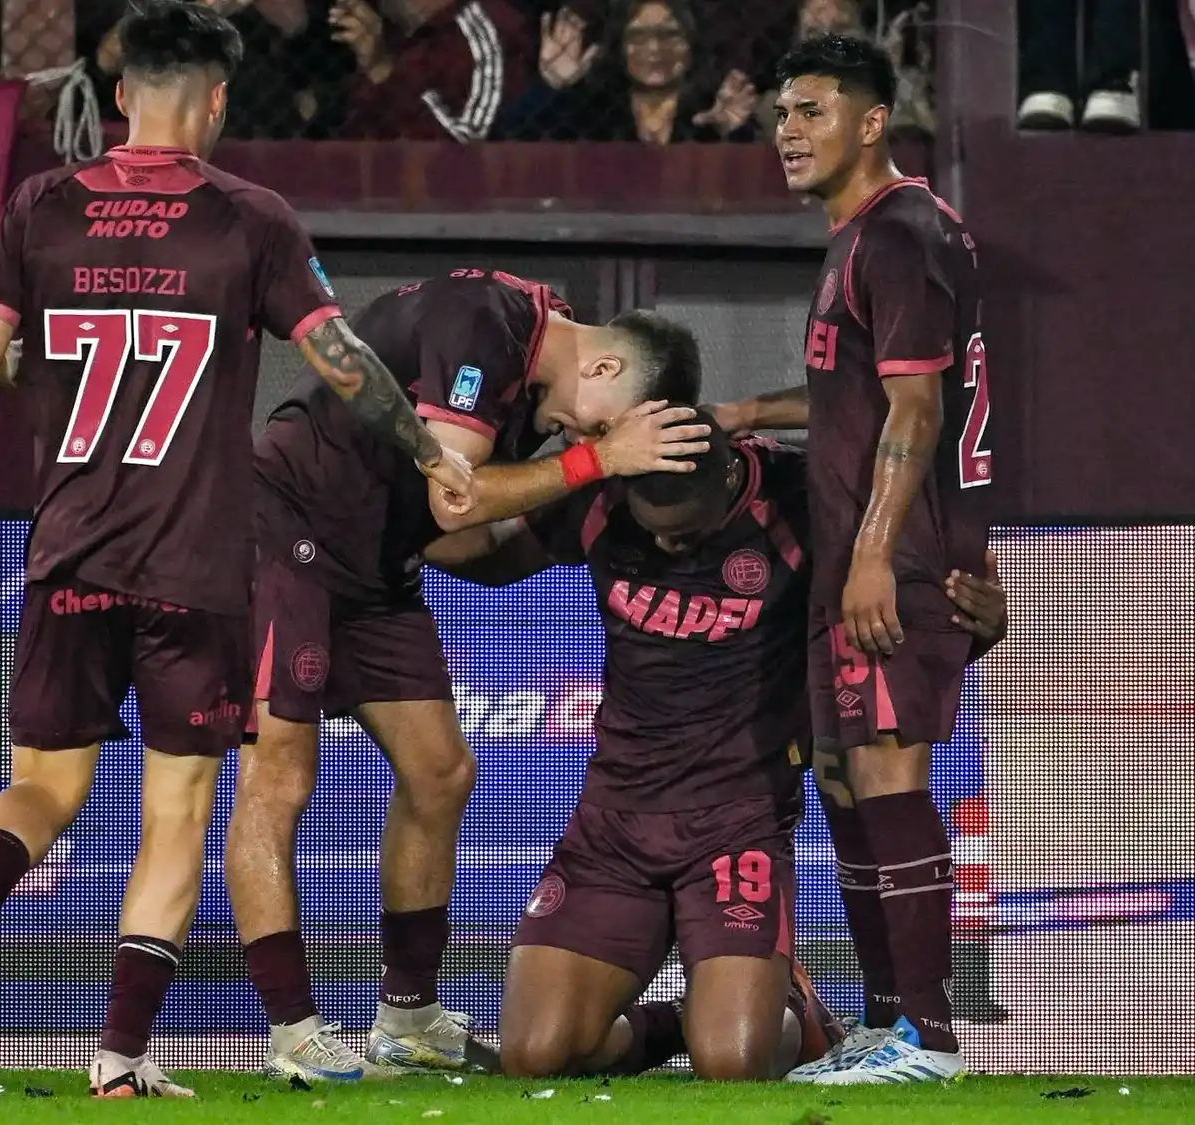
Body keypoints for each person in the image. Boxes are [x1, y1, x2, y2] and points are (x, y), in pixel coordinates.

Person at [0, 0, 471, 1098]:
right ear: (215, 101)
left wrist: (59, 384)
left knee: (41, 790)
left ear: (119, 94)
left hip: (68, 553)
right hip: (195, 571)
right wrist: (429, 452)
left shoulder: (41, 204)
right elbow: (341, 361)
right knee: (176, 817)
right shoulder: (249, 219)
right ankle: (118, 1058)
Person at [422, 410, 1007, 1081]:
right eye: (654, 532)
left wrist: (978, 627)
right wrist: (409, 514)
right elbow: (481, 555)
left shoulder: (801, 499)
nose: (670, 549)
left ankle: (795, 1008)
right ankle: (677, 1018)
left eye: (688, 533)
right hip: (612, 826)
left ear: (729, 478)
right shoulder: (606, 490)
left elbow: (903, 628)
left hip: (738, 825)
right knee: (536, 1053)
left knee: (732, 1062)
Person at [227, 269, 710, 1082]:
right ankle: (293, 1032)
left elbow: (464, 547)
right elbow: (459, 500)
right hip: (288, 530)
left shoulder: (531, 385)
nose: (577, 435)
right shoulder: (486, 318)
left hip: (378, 567)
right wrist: (600, 457)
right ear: (602, 370)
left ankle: (408, 1016)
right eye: (605, 425)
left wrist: (577, 522)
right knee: (280, 776)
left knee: (441, 771)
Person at [716, 31, 996, 1084]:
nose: (788, 130)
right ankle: (889, 1023)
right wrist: (750, 409)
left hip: (893, 559)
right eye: (782, 112)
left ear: (873, 121)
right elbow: (870, 389)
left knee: (883, 772)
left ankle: (924, 1033)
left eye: (813, 110)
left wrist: (876, 555)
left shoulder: (896, 232)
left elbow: (918, 411)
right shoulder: (875, 235)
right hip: (879, 553)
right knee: (844, 775)